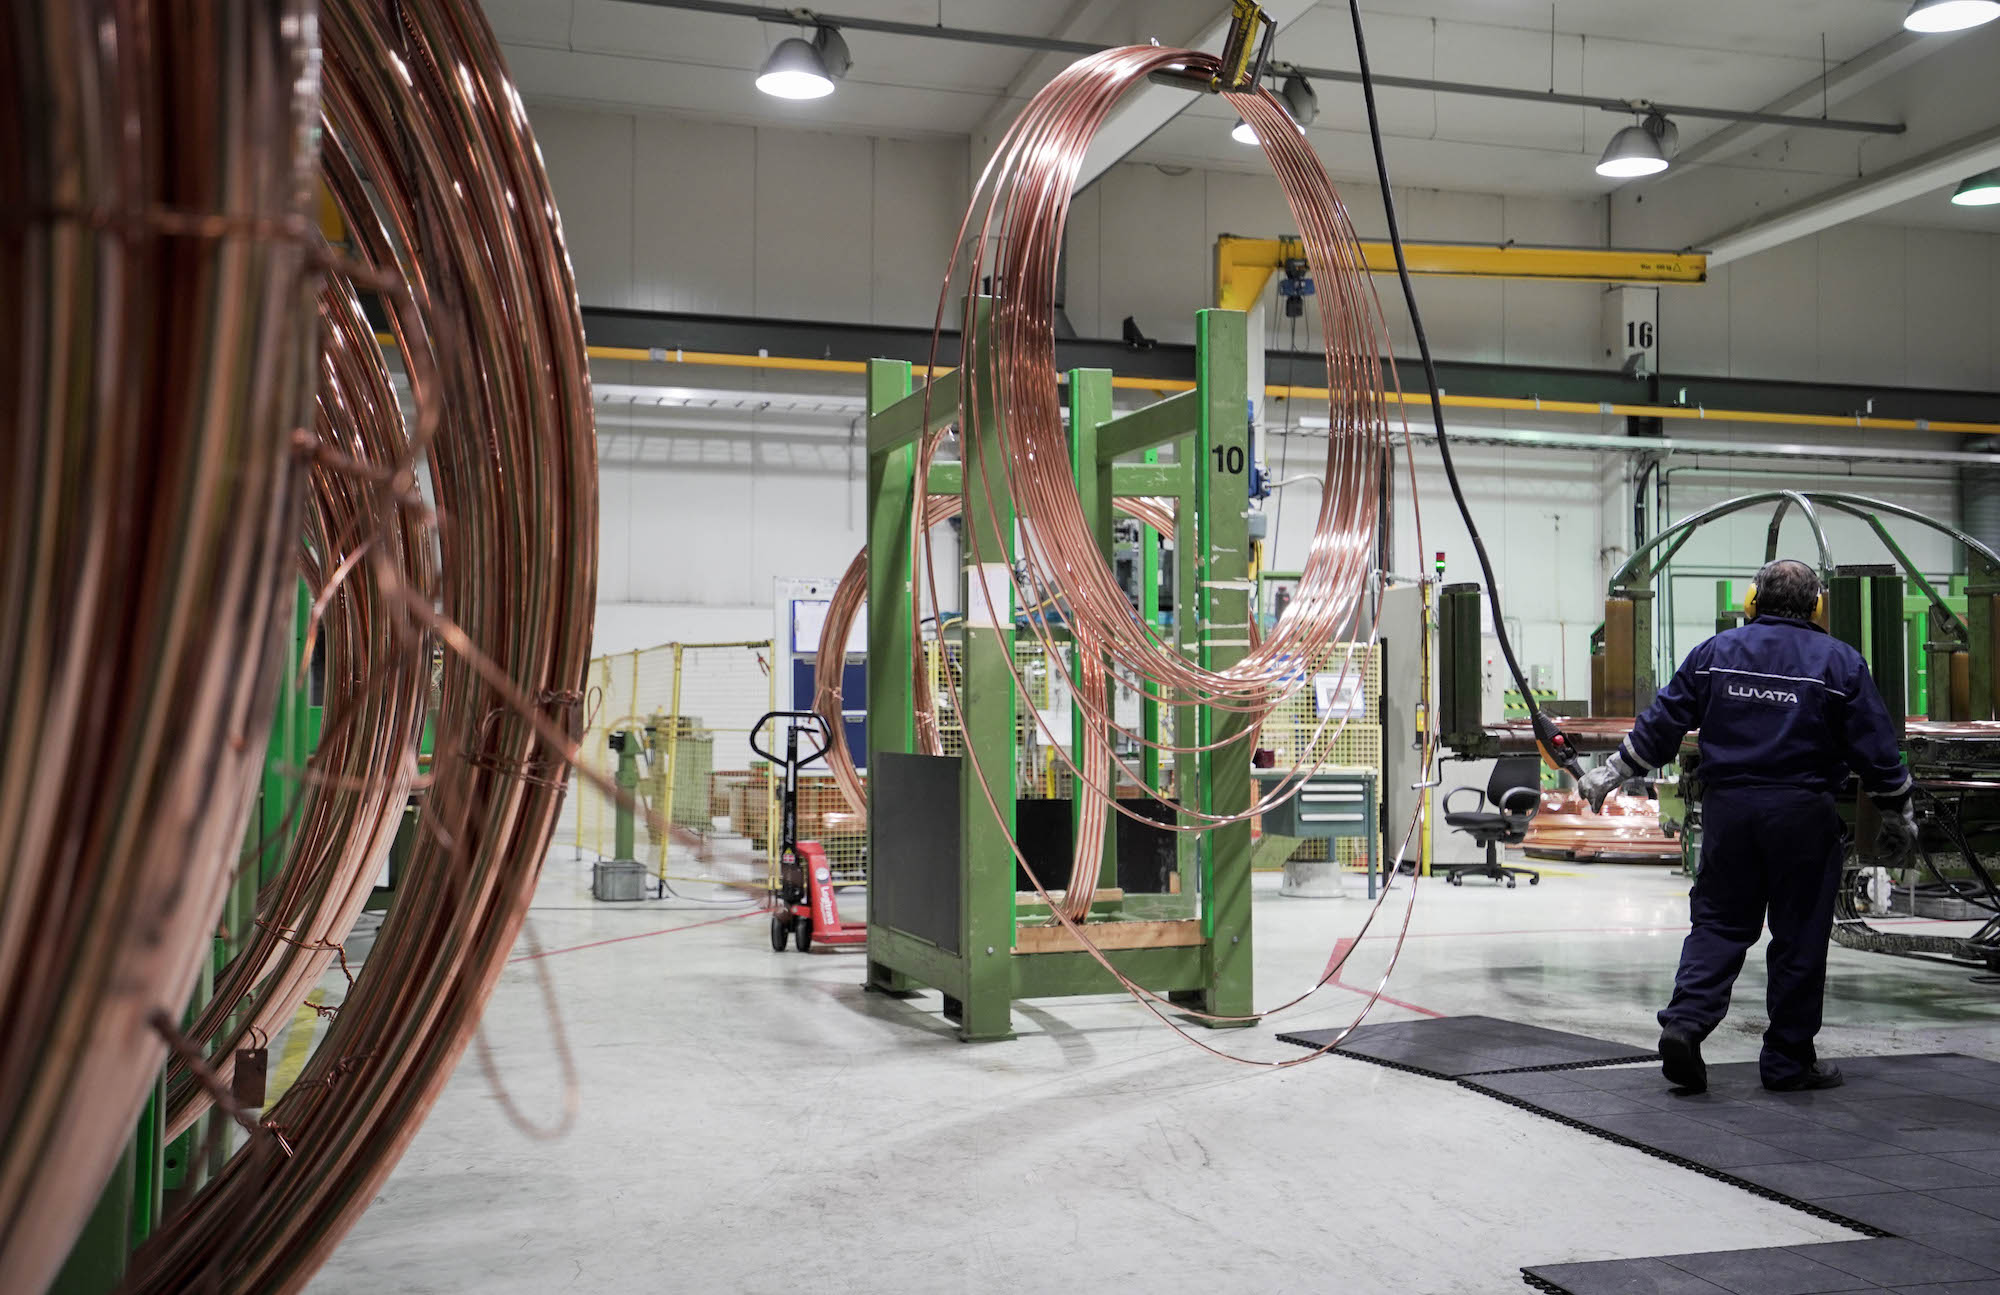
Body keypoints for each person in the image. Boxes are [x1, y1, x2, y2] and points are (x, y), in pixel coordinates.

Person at [1577, 558, 1918, 1094]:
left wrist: (1615, 771)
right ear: (1817, 607)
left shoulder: (1715, 654)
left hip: (1730, 813)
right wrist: (1898, 809)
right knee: (1799, 936)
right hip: (1802, 815)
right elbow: (1876, 750)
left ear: (1752, 601)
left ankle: (1685, 1026)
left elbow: (1663, 722)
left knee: (1718, 924)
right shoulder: (1840, 663)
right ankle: (1787, 1062)